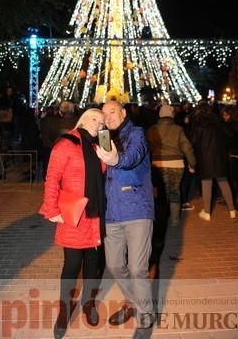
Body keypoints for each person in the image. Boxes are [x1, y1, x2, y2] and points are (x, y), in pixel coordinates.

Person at [39, 108, 106, 339]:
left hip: (96, 214)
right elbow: (52, 178)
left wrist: (108, 149)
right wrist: (52, 210)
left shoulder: (100, 146)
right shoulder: (66, 144)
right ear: (84, 119)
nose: (99, 124)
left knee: (93, 263)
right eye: (95, 119)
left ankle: (88, 303)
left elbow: (109, 171)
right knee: (72, 265)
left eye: (102, 121)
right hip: (74, 214)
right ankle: (64, 310)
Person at [96, 100, 155, 339]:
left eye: (112, 112)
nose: (108, 117)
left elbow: (132, 157)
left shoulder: (136, 133)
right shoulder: (102, 137)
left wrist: (114, 159)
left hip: (137, 209)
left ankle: (145, 315)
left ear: (123, 112)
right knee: (114, 265)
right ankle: (132, 301)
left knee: (137, 268)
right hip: (112, 213)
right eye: (104, 113)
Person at [147, 104, 196, 226]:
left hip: (157, 164)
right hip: (176, 164)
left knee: (159, 193)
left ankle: (159, 219)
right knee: (174, 191)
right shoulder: (178, 129)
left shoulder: (152, 130)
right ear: (171, 115)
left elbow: (146, 148)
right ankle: (175, 220)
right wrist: (192, 164)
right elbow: (187, 147)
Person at [191, 103, 236, 221]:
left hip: (205, 159)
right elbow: (230, 136)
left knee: (206, 184)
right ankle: (232, 210)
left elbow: (195, 144)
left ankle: (207, 212)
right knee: (224, 183)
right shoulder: (220, 125)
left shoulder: (199, 127)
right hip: (220, 158)